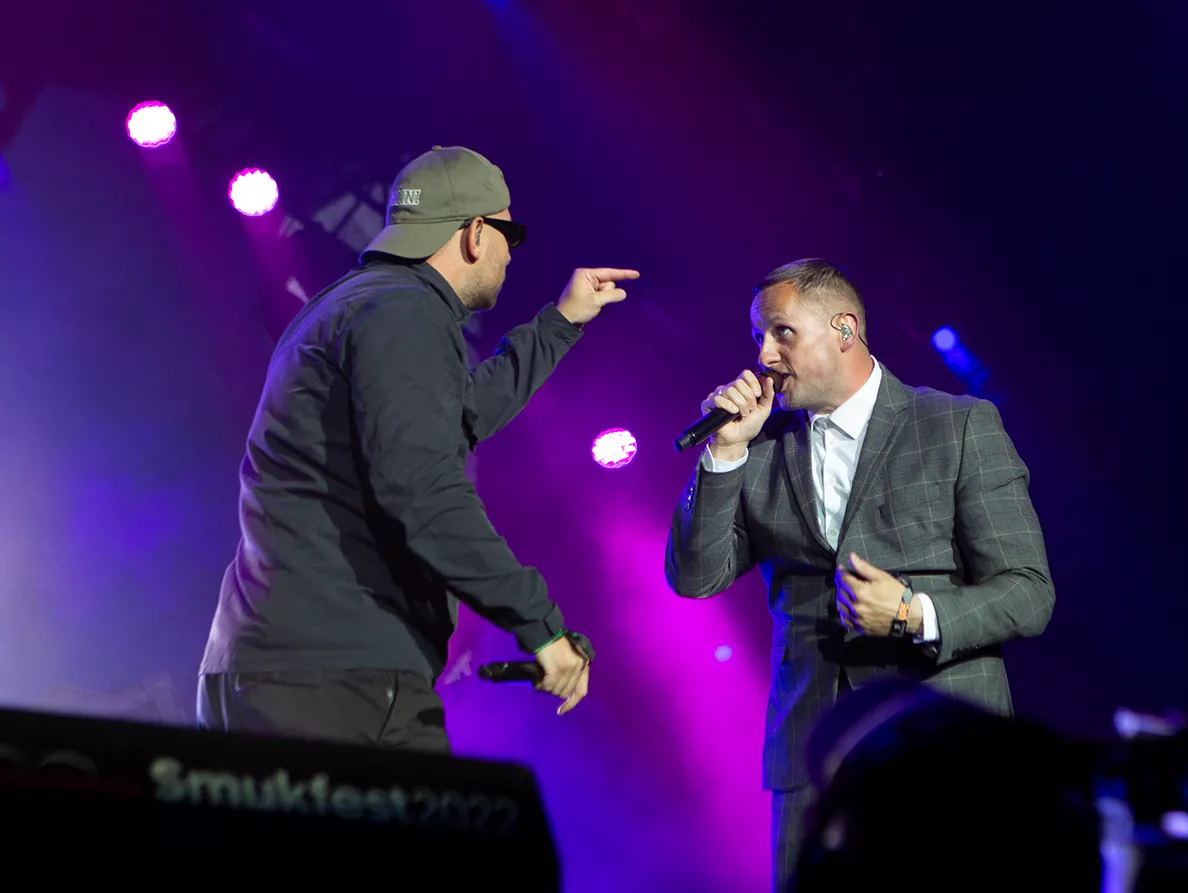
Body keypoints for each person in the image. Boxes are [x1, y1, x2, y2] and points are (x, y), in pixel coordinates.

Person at [197, 145, 639, 752]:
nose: (513, 252)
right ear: (475, 234)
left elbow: (454, 420)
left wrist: (561, 322)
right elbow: (423, 487)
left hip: (269, 668)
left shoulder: (356, 305)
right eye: (510, 234)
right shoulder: (406, 313)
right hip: (336, 679)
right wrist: (539, 624)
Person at [664, 258, 1054, 890]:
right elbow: (694, 577)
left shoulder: (955, 425)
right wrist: (725, 452)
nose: (764, 355)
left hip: (945, 747)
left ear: (844, 329)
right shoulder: (758, 447)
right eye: (759, 337)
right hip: (814, 761)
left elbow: (1029, 592)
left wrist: (914, 614)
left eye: (781, 332)